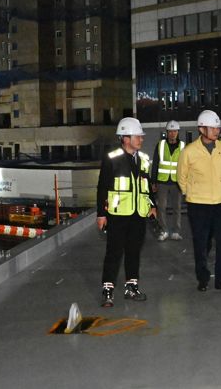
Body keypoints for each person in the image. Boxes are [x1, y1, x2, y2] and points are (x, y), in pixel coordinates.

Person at [96, 117, 157, 307]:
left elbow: (146, 187)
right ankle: (108, 291)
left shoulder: (144, 159)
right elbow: (102, 187)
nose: (141, 139)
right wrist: (101, 214)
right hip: (118, 215)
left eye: (141, 136)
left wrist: (152, 206)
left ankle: (132, 287)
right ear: (125, 138)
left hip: (139, 214)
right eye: (137, 136)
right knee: (114, 252)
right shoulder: (112, 158)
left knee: (134, 252)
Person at [177, 109, 221, 292]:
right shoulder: (189, 151)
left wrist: (219, 187)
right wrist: (191, 192)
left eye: (217, 128)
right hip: (198, 204)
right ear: (202, 129)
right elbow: (181, 177)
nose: (217, 131)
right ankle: (202, 278)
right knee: (201, 243)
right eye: (213, 128)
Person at [151, 120, 185, 241]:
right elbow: (155, 163)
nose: (172, 133)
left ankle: (176, 231)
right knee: (161, 207)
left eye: (174, 131)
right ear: (167, 132)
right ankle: (163, 230)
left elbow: (185, 165)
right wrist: (153, 181)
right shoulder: (160, 145)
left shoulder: (182, 146)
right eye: (170, 131)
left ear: (178, 132)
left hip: (177, 182)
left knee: (177, 208)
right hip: (162, 181)